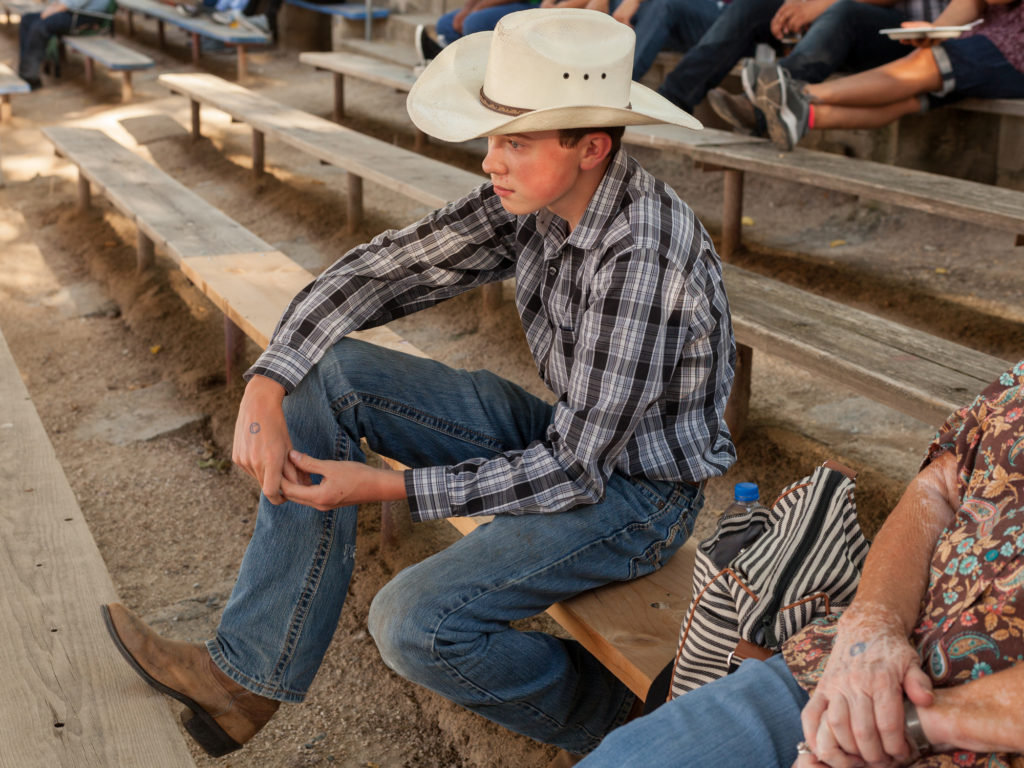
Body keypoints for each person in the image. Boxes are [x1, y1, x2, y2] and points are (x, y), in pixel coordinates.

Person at [101, 7, 737, 759]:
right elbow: (382, 268)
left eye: (515, 142)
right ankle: (245, 681)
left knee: (414, 625)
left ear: (591, 147)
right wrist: (265, 381)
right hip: (573, 440)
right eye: (493, 138)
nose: (489, 161)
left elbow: (574, 472)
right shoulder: (539, 197)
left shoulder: (641, 258)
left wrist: (385, 489)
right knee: (326, 374)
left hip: (635, 498)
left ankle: (629, 724)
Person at [577, 358, 1024, 767]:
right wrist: (872, 626)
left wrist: (908, 726)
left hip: (967, 737)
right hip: (850, 666)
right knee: (623, 759)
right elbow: (938, 487)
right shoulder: (1016, 384)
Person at [751, 0, 1024, 149]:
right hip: (995, 37)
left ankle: (796, 94)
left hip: (1015, 48)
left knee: (927, 63)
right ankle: (803, 116)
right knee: (911, 97)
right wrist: (935, 30)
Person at [655, 0, 947, 118]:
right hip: (840, 24)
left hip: (911, 37)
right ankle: (670, 101)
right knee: (754, 6)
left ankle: (761, 107)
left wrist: (818, 6)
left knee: (843, 12)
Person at [586, 0, 724, 80]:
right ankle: (583, 77)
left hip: (722, 16)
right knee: (616, 5)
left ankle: (616, 86)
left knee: (665, 5)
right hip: (682, 17)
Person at [17, 0, 111, 89]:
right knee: (27, 19)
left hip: (86, 16)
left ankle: (30, 77)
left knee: (39, 27)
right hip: (71, 11)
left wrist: (49, 12)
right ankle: (25, 71)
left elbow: (71, 3)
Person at [414, 0, 541, 62]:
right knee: (445, 25)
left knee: (473, 23)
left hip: (536, 6)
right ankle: (450, 63)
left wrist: (479, 7)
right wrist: (467, 8)